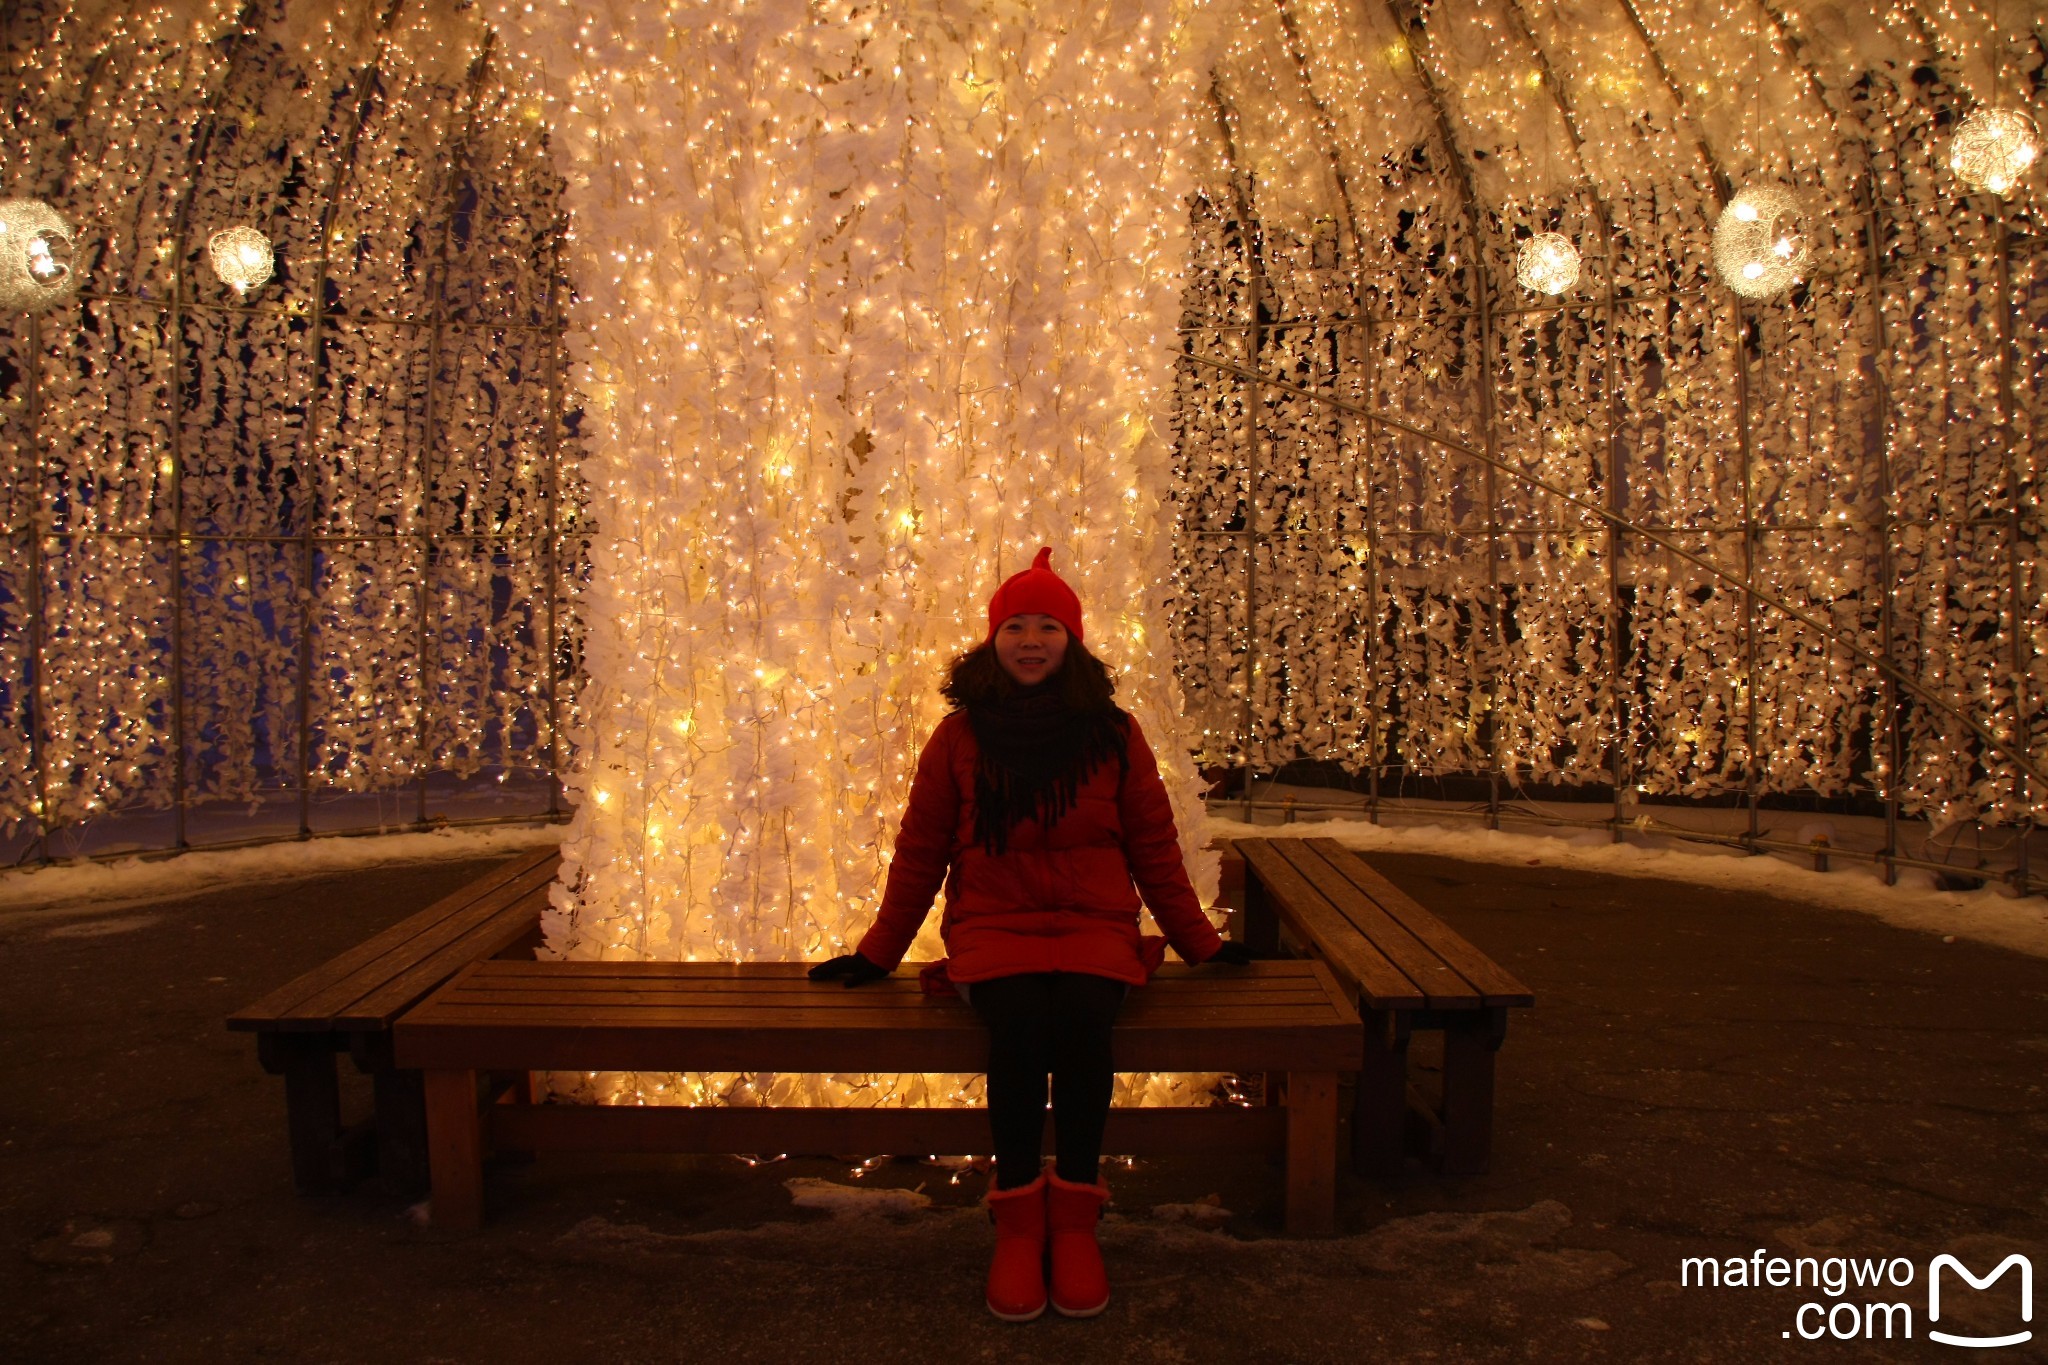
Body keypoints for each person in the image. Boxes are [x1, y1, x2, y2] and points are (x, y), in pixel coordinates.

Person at [810, 547, 1252, 1322]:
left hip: (1093, 927)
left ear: (1073, 639)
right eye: (1016, 624)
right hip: (994, 926)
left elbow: (1153, 847)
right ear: (993, 639)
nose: (1031, 638)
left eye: (1049, 624)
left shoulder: (1114, 732)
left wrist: (1201, 943)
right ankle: (1017, 1220)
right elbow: (920, 849)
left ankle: (1076, 1220)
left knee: (1084, 1020)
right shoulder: (957, 737)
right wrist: (878, 951)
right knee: (1017, 1025)